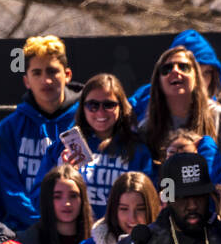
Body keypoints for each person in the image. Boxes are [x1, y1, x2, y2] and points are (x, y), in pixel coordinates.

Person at [33, 73, 154, 219]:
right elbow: (38, 200)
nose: (100, 111)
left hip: (121, 234)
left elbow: (150, 201)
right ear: (82, 108)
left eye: (109, 105)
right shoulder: (62, 147)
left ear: (121, 107)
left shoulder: (138, 150)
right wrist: (60, 175)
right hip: (76, 234)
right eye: (93, 105)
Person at [0, 35, 81, 230]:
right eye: (37, 73)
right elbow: (10, 191)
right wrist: (42, 223)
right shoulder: (9, 128)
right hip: (26, 231)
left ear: (67, 75)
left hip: (76, 230)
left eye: (52, 71)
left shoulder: (85, 121)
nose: (46, 80)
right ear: (26, 80)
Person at [139, 46, 221, 180]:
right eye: (166, 69)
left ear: (196, 76)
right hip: (167, 196)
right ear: (158, 81)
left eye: (184, 67)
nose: (175, 71)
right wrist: (169, 198)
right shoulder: (147, 128)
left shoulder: (218, 115)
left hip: (210, 195)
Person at [128, 30, 221, 117]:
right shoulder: (145, 107)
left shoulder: (217, 113)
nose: (202, 81)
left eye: (207, 73)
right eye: (196, 72)